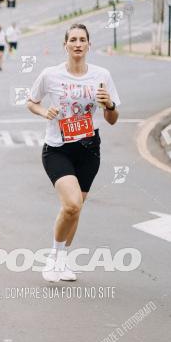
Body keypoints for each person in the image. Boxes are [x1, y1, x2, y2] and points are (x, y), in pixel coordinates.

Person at [26, 23, 120, 282]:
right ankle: (52, 258)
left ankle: (63, 262)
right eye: (73, 40)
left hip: (89, 149)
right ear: (65, 45)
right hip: (58, 149)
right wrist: (45, 112)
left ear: (89, 45)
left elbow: (112, 118)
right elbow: (31, 102)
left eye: (82, 40)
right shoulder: (50, 75)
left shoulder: (102, 75)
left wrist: (108, 104)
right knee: (72, 204)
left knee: (74, 210)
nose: (78, 44)